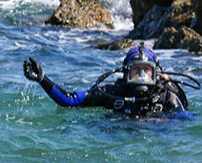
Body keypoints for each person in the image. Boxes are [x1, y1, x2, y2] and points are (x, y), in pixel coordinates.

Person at [23, 44, 192, 117]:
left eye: (146, 70)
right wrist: (43, 79)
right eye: (136, 70)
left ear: (156, 73)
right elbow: (70, 100)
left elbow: (185, 123)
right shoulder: (111, 94)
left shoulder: (166, 96)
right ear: (126, 72)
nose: (142, 75)